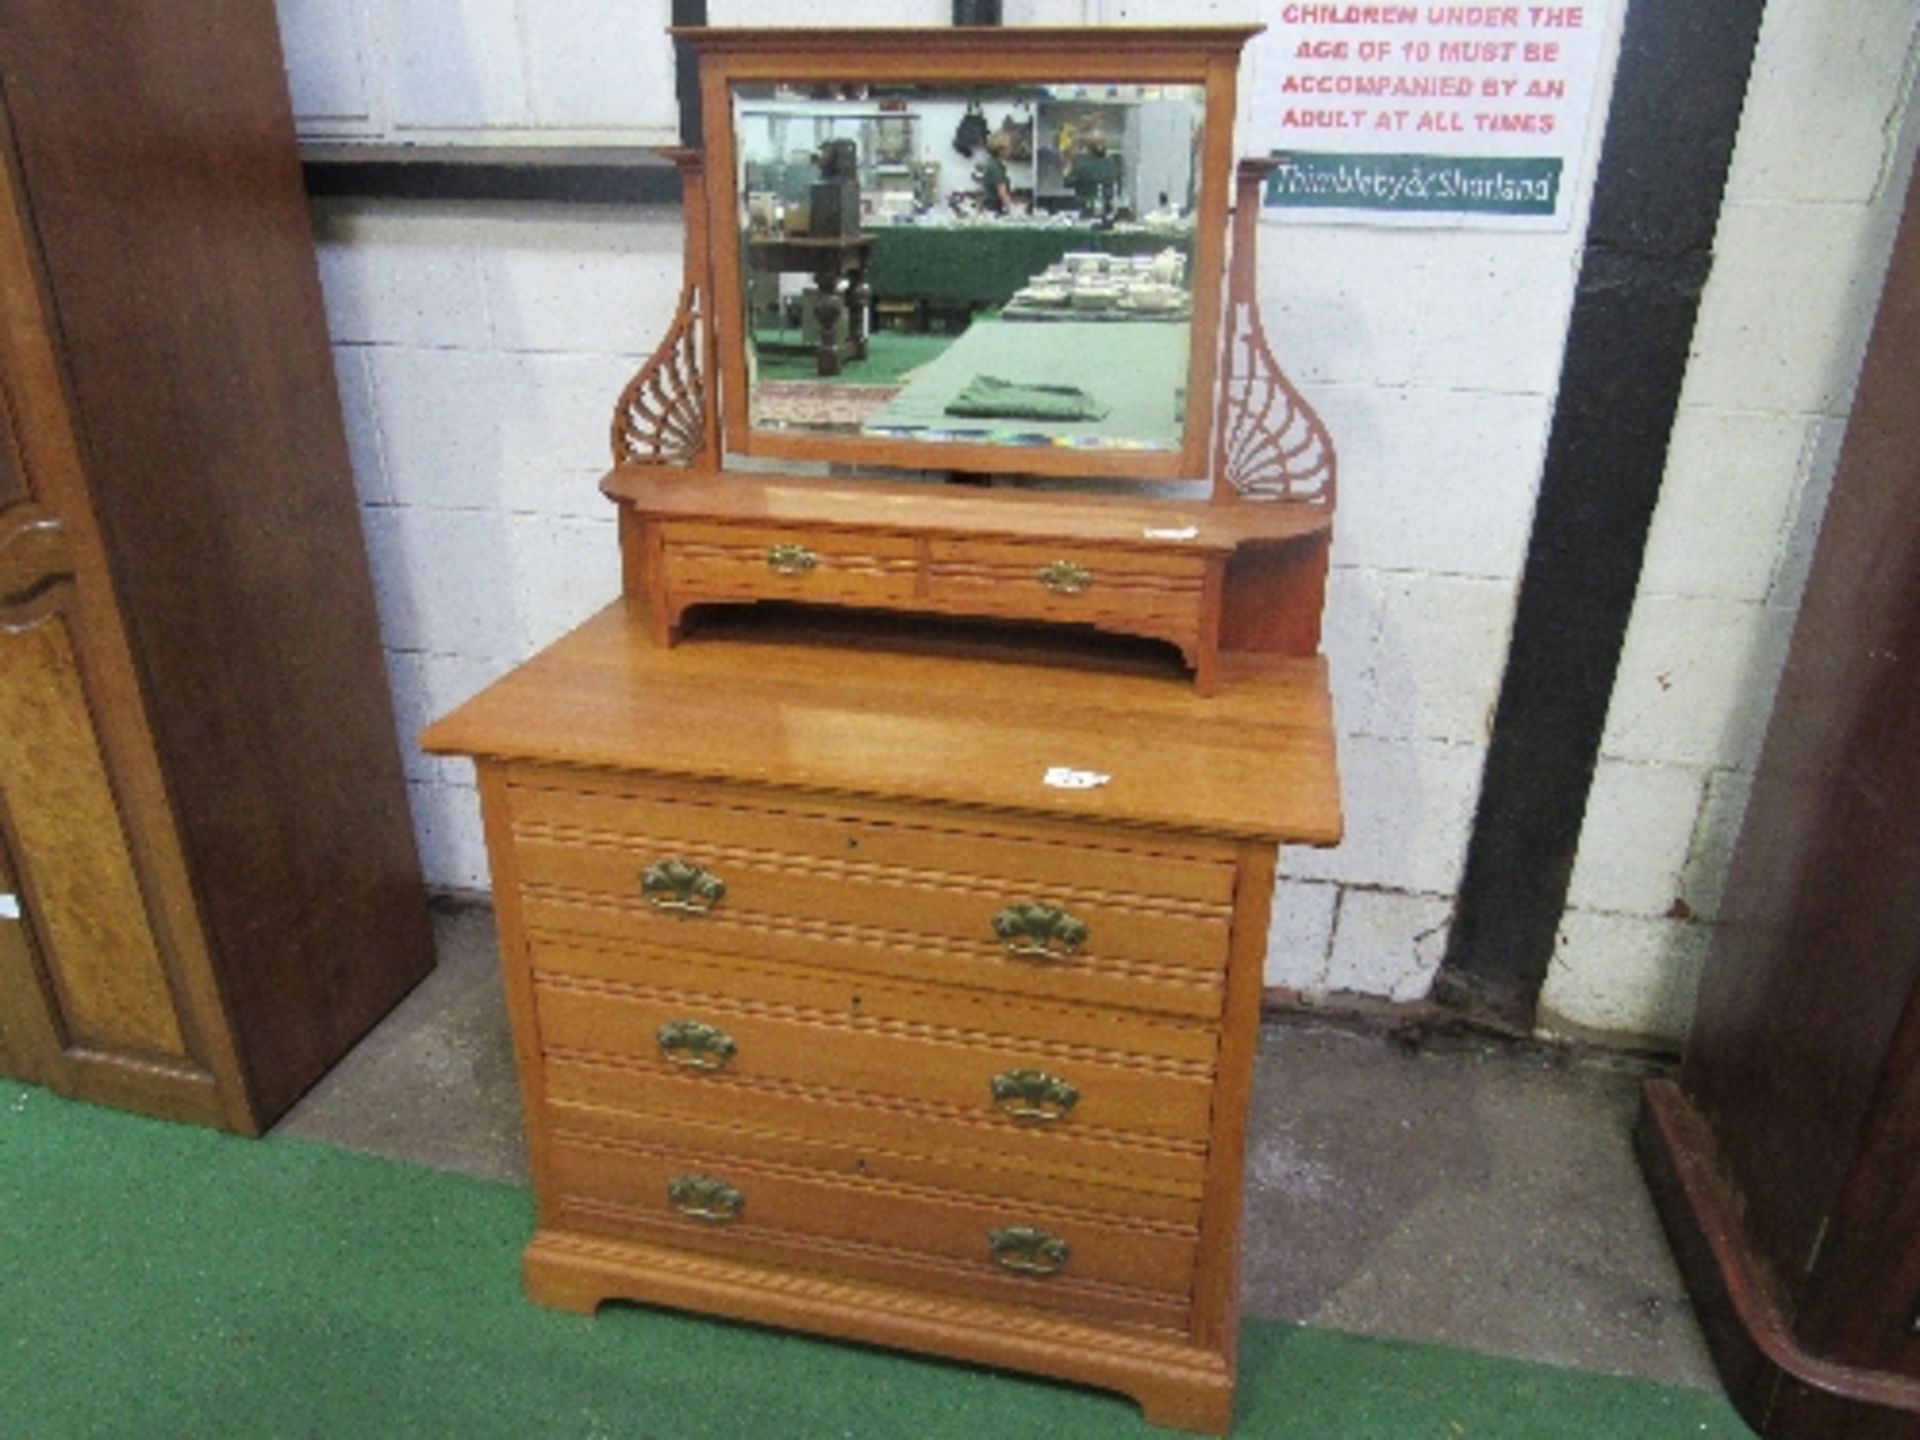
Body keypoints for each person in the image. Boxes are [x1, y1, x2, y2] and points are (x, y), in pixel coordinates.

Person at [1065, 131, 1120, 218]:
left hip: (1085, 210)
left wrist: (1068, 165)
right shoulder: (1111, 163)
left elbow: (1067, 182)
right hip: (1108, 209)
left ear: (1087, 148)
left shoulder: (1081, 164)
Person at [976, 132, 1015, 215]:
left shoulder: (993, 163)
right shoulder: (995, 167)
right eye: (1008, 146)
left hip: (989, 207)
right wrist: (1013, 212)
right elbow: (1002, 194)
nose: (1011, 148)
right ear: (1000, 149)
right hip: (993, 209)